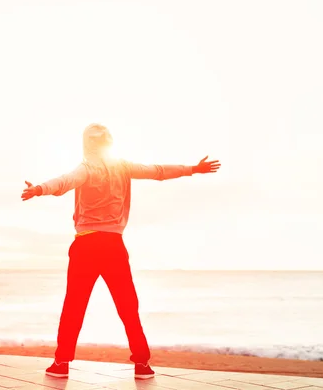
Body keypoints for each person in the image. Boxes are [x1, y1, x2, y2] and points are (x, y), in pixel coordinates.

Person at [21, 123, 220, 380]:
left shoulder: (86, 168)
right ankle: (142, 365)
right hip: (113, 245)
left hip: (85, 245)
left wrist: (39, 189)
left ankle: (61, 363)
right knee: (127, 306)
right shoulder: (123, 167)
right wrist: (193, 169)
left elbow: (65, 182)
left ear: (86, 144)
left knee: (74, 306)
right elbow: (157, 171)